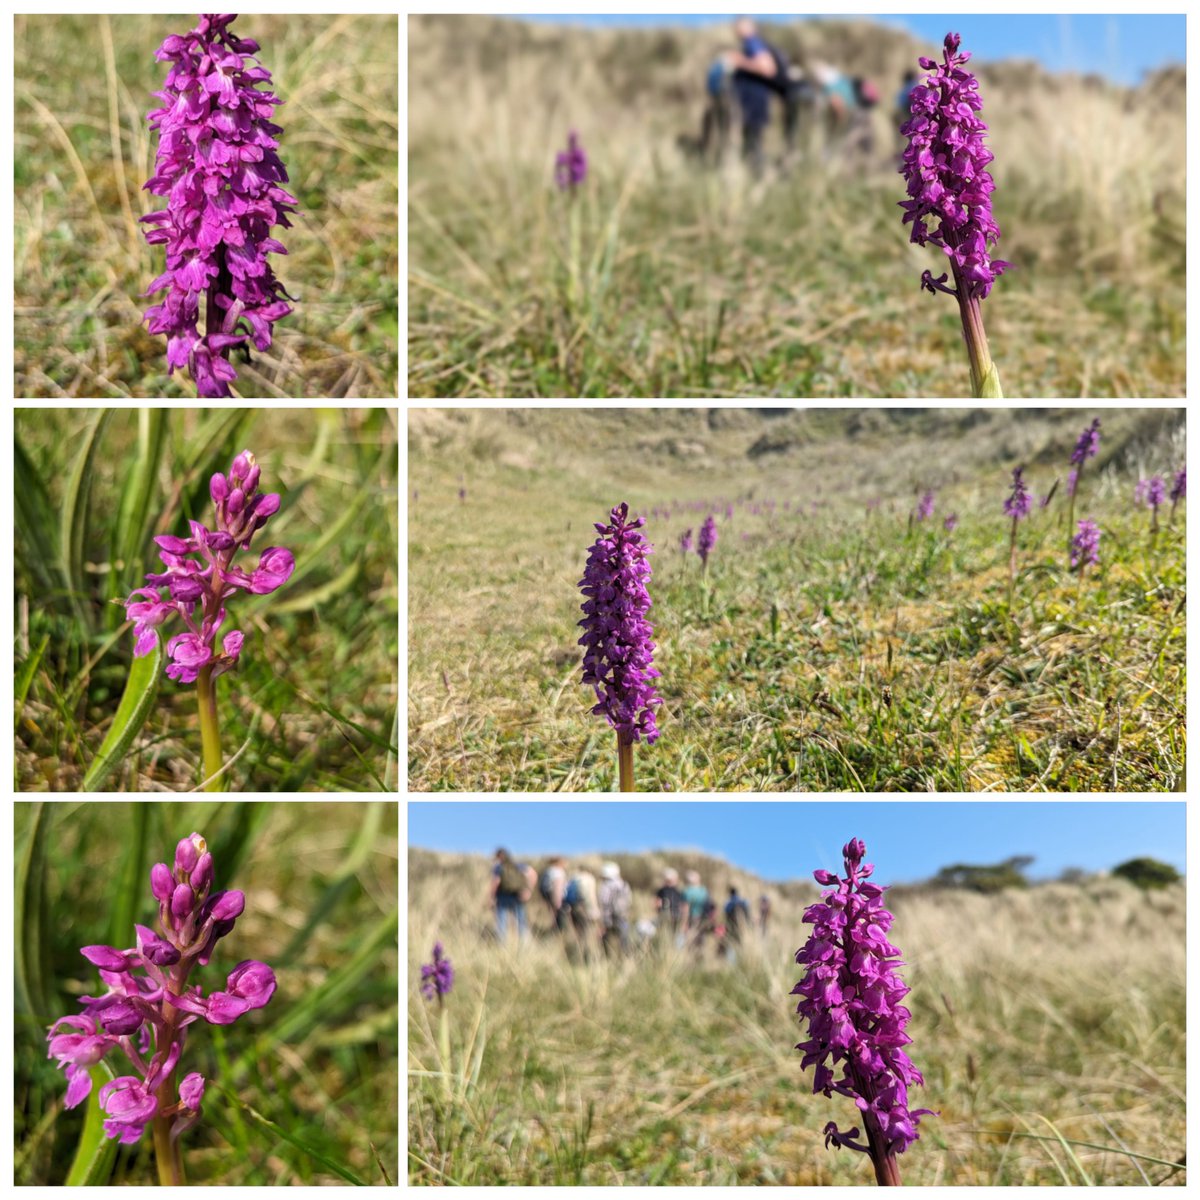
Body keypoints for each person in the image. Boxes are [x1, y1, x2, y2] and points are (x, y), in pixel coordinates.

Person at [726, 17, 794, 175]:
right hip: (754, 101)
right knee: (752, 142)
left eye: (741, 26)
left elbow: (767, 68)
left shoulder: (752, 43)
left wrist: (739, 61)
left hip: (753, 102)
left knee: (752, 144)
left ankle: (760, 178)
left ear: (751, 27)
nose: (737, 29)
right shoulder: (751, 43)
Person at [490, 847, 536, 943]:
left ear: (498, 857)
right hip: (518, 896)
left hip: (502, 897)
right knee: (521, 921)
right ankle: (524, 943)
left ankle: (502, 944)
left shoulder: (498, 868)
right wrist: (529, 890)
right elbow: (533, 873)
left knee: (502, 922)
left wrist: (491, 897)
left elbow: (496, 882)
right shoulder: (518, 866)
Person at [598, 862, 632, 958]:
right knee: (624, 940)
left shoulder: (605, 886)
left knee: (605, 940)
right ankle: (625, 959)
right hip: (623, 916)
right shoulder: (624, 884)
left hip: (609, 918)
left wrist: (603, 921)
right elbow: (629, 901)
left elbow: (604, 903)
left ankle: (607, 958)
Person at [539, 855, 569, 933]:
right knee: (559, 916)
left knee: (552, 914)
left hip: (548, 895)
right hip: (556, 896)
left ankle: (555, 932)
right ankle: (559, 934)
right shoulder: (558, 872)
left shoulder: (548, 871)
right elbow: (558, 886)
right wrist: (557, 901)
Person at [655, 868, 685, 938]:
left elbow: (682, 905)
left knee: (677, 935)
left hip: (676, 917)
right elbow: (657, 903)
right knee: (666, 935)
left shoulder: (678, 891)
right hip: (665, 917)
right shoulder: (662, 891)